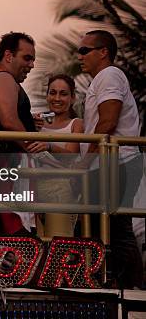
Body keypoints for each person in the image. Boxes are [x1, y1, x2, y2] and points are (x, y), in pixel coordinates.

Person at [76, 30, 142, 288]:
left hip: (116, 162)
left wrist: (84, 163)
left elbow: (108, 121)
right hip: (111, 163)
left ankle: (133, 288)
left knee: (117, 228)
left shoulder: (109, 75)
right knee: (103, 226)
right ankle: (118, 283)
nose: (79, 56)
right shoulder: (102, 79)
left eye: (84, 50)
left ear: (103, 52)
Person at [0, 31, 37, 236]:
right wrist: (37, 149)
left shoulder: (1, 79)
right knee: (15, 232)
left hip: (3, 166)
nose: (31, 65)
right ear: (9, 56)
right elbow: (9, 121)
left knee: (6, 233)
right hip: (6, 167)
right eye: (27, 58)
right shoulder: (3, 78)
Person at [31, 74, 83, 238]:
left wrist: (50, 146)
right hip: (32, 187)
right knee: (37, 247)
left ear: (73, 98)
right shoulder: (36, 121)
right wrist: (30, 128)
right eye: (52, 93)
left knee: (59, 244)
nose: (57, 98)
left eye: (63, 93)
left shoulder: (76, 124)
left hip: (60, 188)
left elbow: (72, 155)